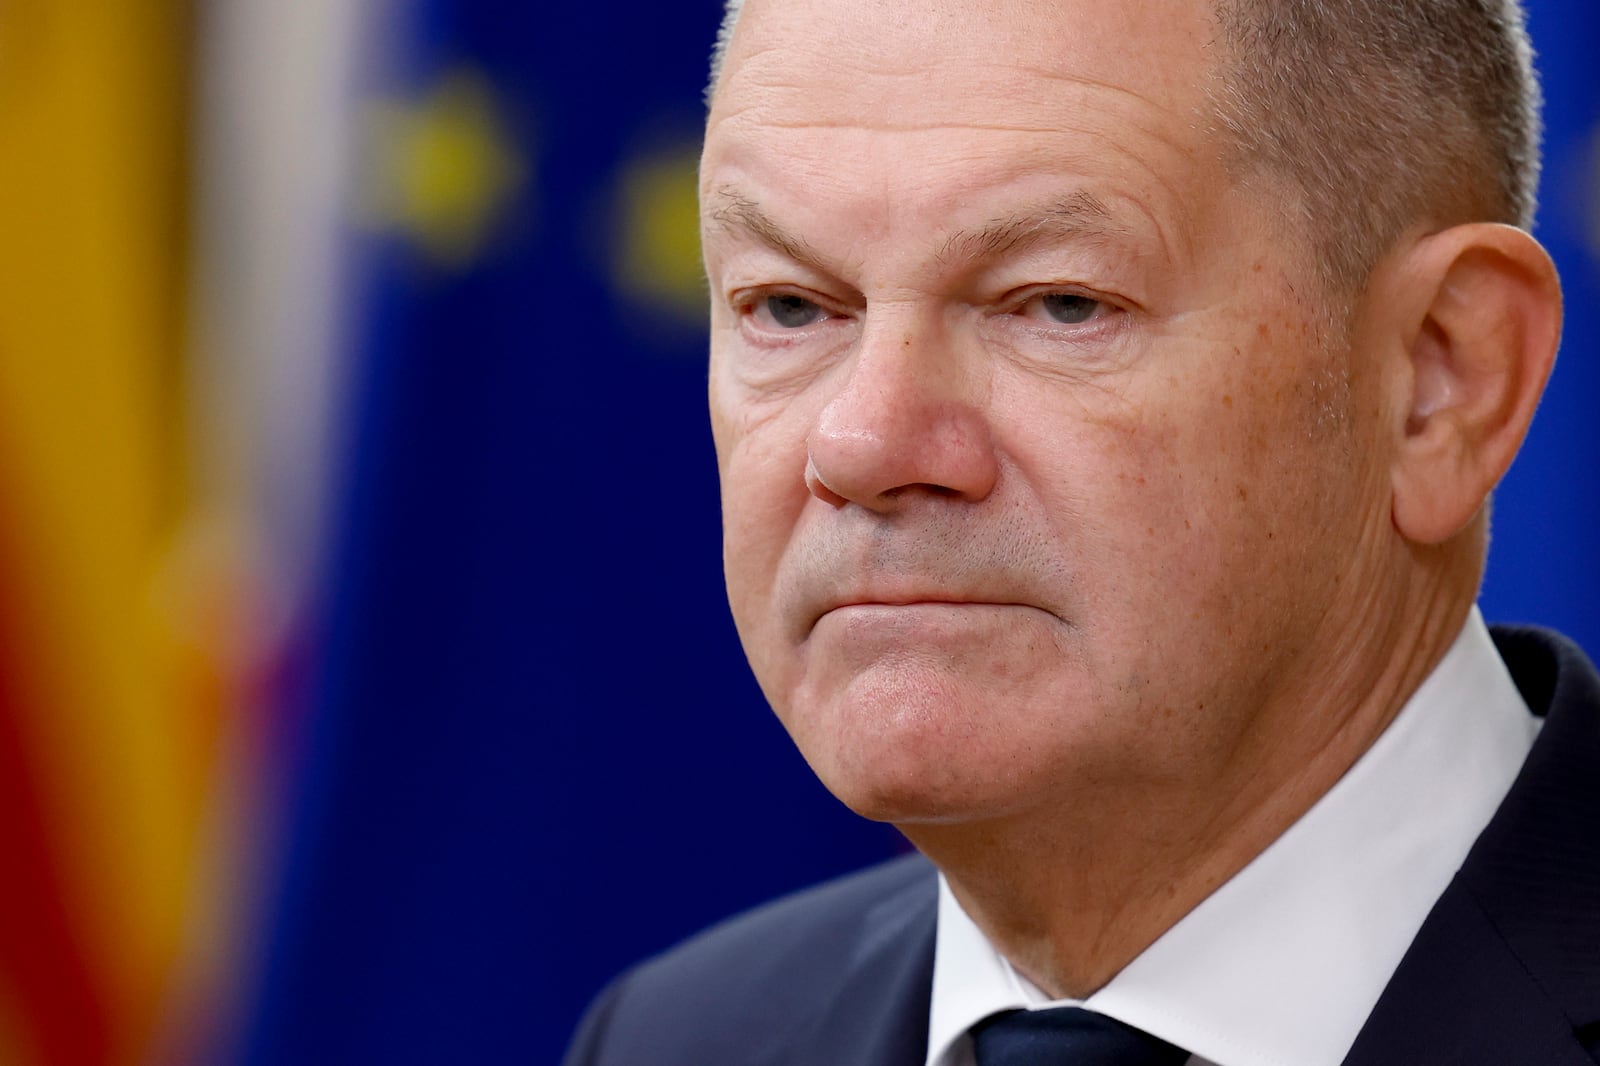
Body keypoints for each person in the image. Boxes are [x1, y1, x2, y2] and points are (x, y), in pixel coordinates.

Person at [567, 0, 1598, 1062]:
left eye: (1058, 303)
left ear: (1438, 380)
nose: (864, 443)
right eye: (787, 306)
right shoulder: (673, 1035)